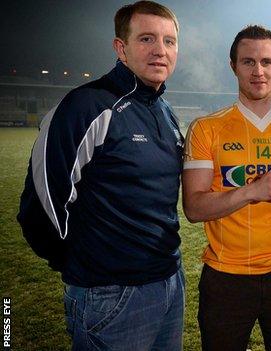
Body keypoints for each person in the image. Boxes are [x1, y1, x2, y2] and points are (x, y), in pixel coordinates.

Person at [17, 1, 184, 350]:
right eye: (147, 39)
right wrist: (86, 269)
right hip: (111, 295)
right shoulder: (87, 106)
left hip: (169, 283)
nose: (160, 50)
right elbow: (41, 203)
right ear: (121, 48)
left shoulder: (165, 112)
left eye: (169, 41)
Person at [182, 25, 271, 351]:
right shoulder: (206, 129)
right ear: (234, 66)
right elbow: (194, 208)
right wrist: (252, 191)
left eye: (267, 62)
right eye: (248, 62)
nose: (258, 71)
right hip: (225, 277)